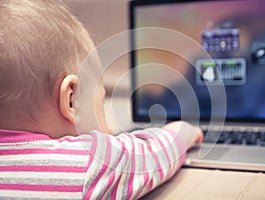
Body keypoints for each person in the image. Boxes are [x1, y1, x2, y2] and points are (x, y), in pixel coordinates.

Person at [0, 0, 203, 199]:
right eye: (101, 103)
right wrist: (184, 130)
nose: (109, 128)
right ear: (71, 102)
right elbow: (151, 155)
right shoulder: (88, 164)